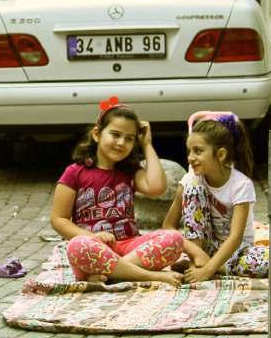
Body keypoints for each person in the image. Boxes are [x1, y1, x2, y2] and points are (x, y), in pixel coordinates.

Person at [50, 97, 185, 287]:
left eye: (129, 138)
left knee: (174, 239)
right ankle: (148, 276)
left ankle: (115, 274)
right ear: (97, 134)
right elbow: (58, 219)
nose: (121, 143)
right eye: (115, 134)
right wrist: (92, 237)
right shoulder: (75, 172)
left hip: (130, 247)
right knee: (76, 245)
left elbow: (156, 187)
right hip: (96, 250)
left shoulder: (129, 172)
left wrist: (147, 144)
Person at [161, 111, 269, 281]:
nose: (190, 158)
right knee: (193, 188)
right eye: (189, 151)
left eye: (198, 151)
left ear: (220, 154)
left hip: (236, 252)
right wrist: (194, 251)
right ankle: (196, 262)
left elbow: (235, 237)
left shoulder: (241, 185)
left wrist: (209, 270)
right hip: (204, 249)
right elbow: (168, 226)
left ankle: (211, 267)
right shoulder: (191, 180)